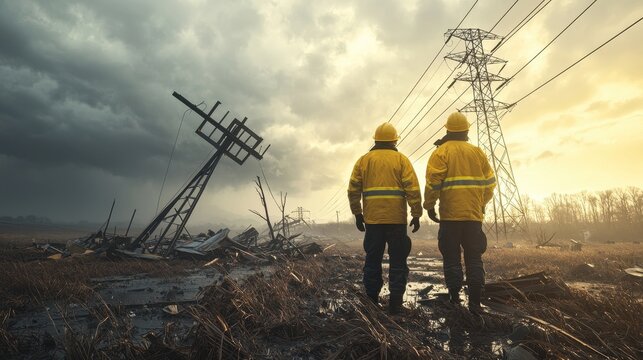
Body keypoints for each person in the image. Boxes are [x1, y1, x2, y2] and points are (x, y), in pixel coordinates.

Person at [423, 112, 496, 314]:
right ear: (466, 130)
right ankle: (475, 303)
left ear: (447, 130)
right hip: (473, 217)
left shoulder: (441, 153)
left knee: (452, 257)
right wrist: (481, 203)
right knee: (474, 257)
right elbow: (490, 184)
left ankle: (455, 300)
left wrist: (429, 206)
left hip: (450, 217)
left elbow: (432, 184)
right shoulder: (477, 152)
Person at [348, 122, 422, 314]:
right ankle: (396, 304)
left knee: (373, 260)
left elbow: (353, 190)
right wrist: (416, 214)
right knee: (398, 261)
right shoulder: (401, 160)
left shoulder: (364, 161)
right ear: (395, 140)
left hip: (373, 222)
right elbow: (413, 188)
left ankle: (372, 301)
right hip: (397, 221)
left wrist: (357, 213)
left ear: (375, 140)